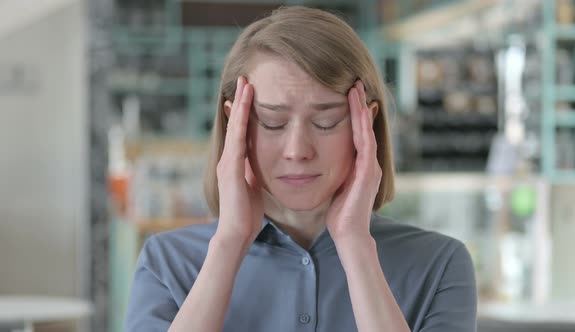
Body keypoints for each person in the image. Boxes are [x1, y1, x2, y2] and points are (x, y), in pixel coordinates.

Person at [126, 6, 477, 332]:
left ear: (365, 126)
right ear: (237, 124)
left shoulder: (440, 265)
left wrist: (355, 246)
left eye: (325, 122)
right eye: (272, 122)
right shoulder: (166, 264)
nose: (297, 151)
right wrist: (230, 242)